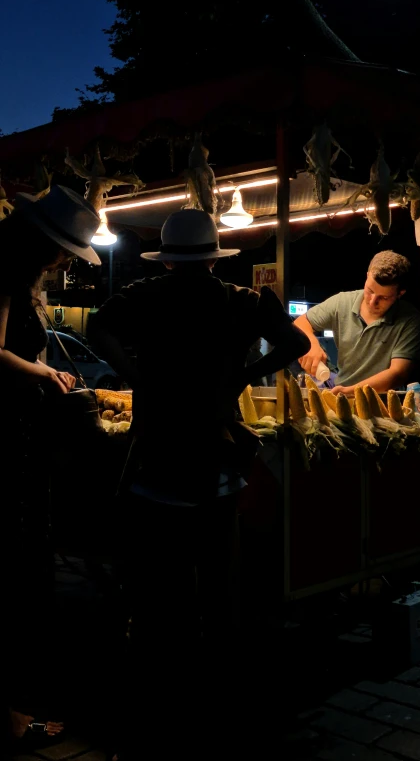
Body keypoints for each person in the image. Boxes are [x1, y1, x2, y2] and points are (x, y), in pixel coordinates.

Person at [88, 209, 309, 759]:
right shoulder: (241, 301)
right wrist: (242, 375)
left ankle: (159, 708)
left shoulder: (144, 297)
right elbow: (295, 346)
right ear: (213, 257)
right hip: (216, 466)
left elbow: (99, 328)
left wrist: (137, 375)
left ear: (166, 258)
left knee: (158, 597)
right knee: (220, 592)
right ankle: (220, 710)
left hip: (154, 466)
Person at [0, 185, 101, 751]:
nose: (65, 260)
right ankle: (14, 715)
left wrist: (43, 367)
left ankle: (18, 702)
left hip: (22, 436)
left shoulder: (19, 277)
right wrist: (45, 375)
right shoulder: (5, 275)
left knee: (24, 565)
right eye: (64, 249)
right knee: (17, 567)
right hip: (9, 439)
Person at [294, 250, 420, 396]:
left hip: (384, 402)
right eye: (370, 290)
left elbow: (398, 373)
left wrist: (350, 392)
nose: (373, 301)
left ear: (400, 293)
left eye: (384, 297)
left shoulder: (410, 319)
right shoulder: (342, 302)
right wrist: (311, 343)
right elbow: (300, 323)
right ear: (367, 276)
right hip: (341, 397)